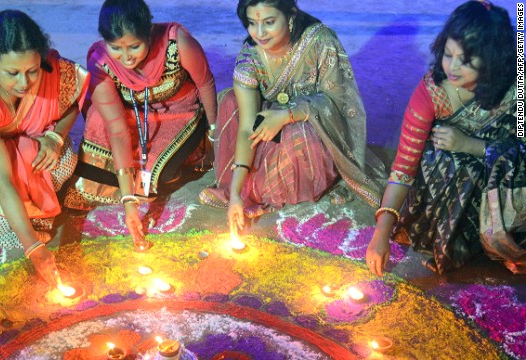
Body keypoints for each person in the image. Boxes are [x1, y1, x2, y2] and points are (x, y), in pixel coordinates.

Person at [199, 0, 386, 232]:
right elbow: (248, 128)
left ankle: (263, 190)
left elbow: (341, 105)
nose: (259, 33)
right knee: (230, 101)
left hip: (314, 128)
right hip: (269, 120)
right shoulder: (250, 58)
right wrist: (236, 192)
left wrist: (288, 115)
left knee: (297, 133)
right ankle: (241, 192)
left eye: (269, 22)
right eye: (252, 23)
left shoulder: (320, 41)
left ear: (290, 15)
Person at [366, 0, 522, 275]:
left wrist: (473, 146)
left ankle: (497, 238)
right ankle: (460, 239)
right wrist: (381, 231)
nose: (453, 67)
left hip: (506, 188)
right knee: (444, 161)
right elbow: (404, 166)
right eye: (448, 54)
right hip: (454, 188)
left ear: (493, 60)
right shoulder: (432, 92)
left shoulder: (517, 88)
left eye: (466, 60)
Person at [64, 0, 217, 246]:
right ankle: (127, 187)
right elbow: (117, 130)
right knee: (97, 121)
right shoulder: (100, 61)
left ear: (149, 33)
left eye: (134, 46)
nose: (126, 58)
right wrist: (129, 203)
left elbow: (206, 84)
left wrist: (214, 134)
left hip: (178, 109)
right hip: (129, 115)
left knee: (164, 174)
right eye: (116, 48)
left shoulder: (178, 44)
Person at [0, 10, 89, 285]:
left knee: (63, 158)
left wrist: (55, 138)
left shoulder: (50, 70)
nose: (24, 82)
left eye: (32, 71)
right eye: (13, 73)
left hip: (35, 144)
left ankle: (35, 213)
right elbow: (4, 181)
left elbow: (71, 106)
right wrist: (33, 247)